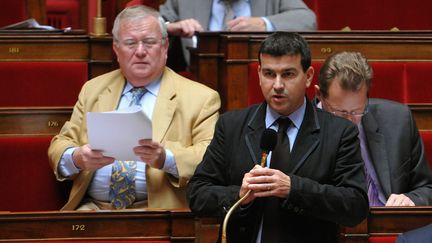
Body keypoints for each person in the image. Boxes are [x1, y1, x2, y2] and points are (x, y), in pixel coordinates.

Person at [186, 32, 368, 242]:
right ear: (259, 73)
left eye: (288, 74)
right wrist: (240, 195)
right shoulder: (232, 125)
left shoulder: (339, 132)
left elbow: (355, 206)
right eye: (270, 74)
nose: (278, 85)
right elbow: (197, 193)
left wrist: (293, 188)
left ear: (308, 76)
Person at [48, 5, 221, 210]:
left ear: (165, 46)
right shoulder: (93, 89)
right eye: (130, 43)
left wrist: (166, 158)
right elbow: (61, 143)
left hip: (158, 213)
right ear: (116, 48)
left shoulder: (201, 98)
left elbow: (209, 157)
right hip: (91, 210)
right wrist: (77, 157)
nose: (140, 52)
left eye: (149, 42)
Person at [315, 51, 432, 206]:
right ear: (319, 95)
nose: (350, 121)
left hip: (392, 223)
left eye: (357, 111)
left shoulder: (398, 120)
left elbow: (426, 188)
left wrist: (412, 199)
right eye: (341, 112)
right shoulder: (302, 128)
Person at [159, 0, 317, 65]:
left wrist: (264, 24)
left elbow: (307, 20)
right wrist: (170, 27)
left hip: (260, 85)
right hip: (201, 84)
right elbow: (152, 22)